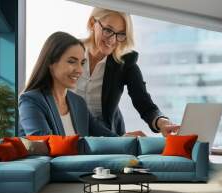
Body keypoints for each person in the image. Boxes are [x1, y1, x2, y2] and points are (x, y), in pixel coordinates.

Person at [75, 8, 180, 137]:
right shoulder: (69, 52)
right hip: (69, 132)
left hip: (107, 138)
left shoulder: (125, 63)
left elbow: (144, 103)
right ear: (92, 23)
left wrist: (162, 122)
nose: (112, 40)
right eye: (108, 30)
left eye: (120, 34)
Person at [19, 32, 118, 137]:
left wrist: (127, 139)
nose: (80, 70)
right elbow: (44, 143)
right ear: (50, 63)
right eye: (72, 61)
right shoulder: (30, 101)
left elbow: (105, 137)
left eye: (82, 63)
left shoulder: (78, 102)